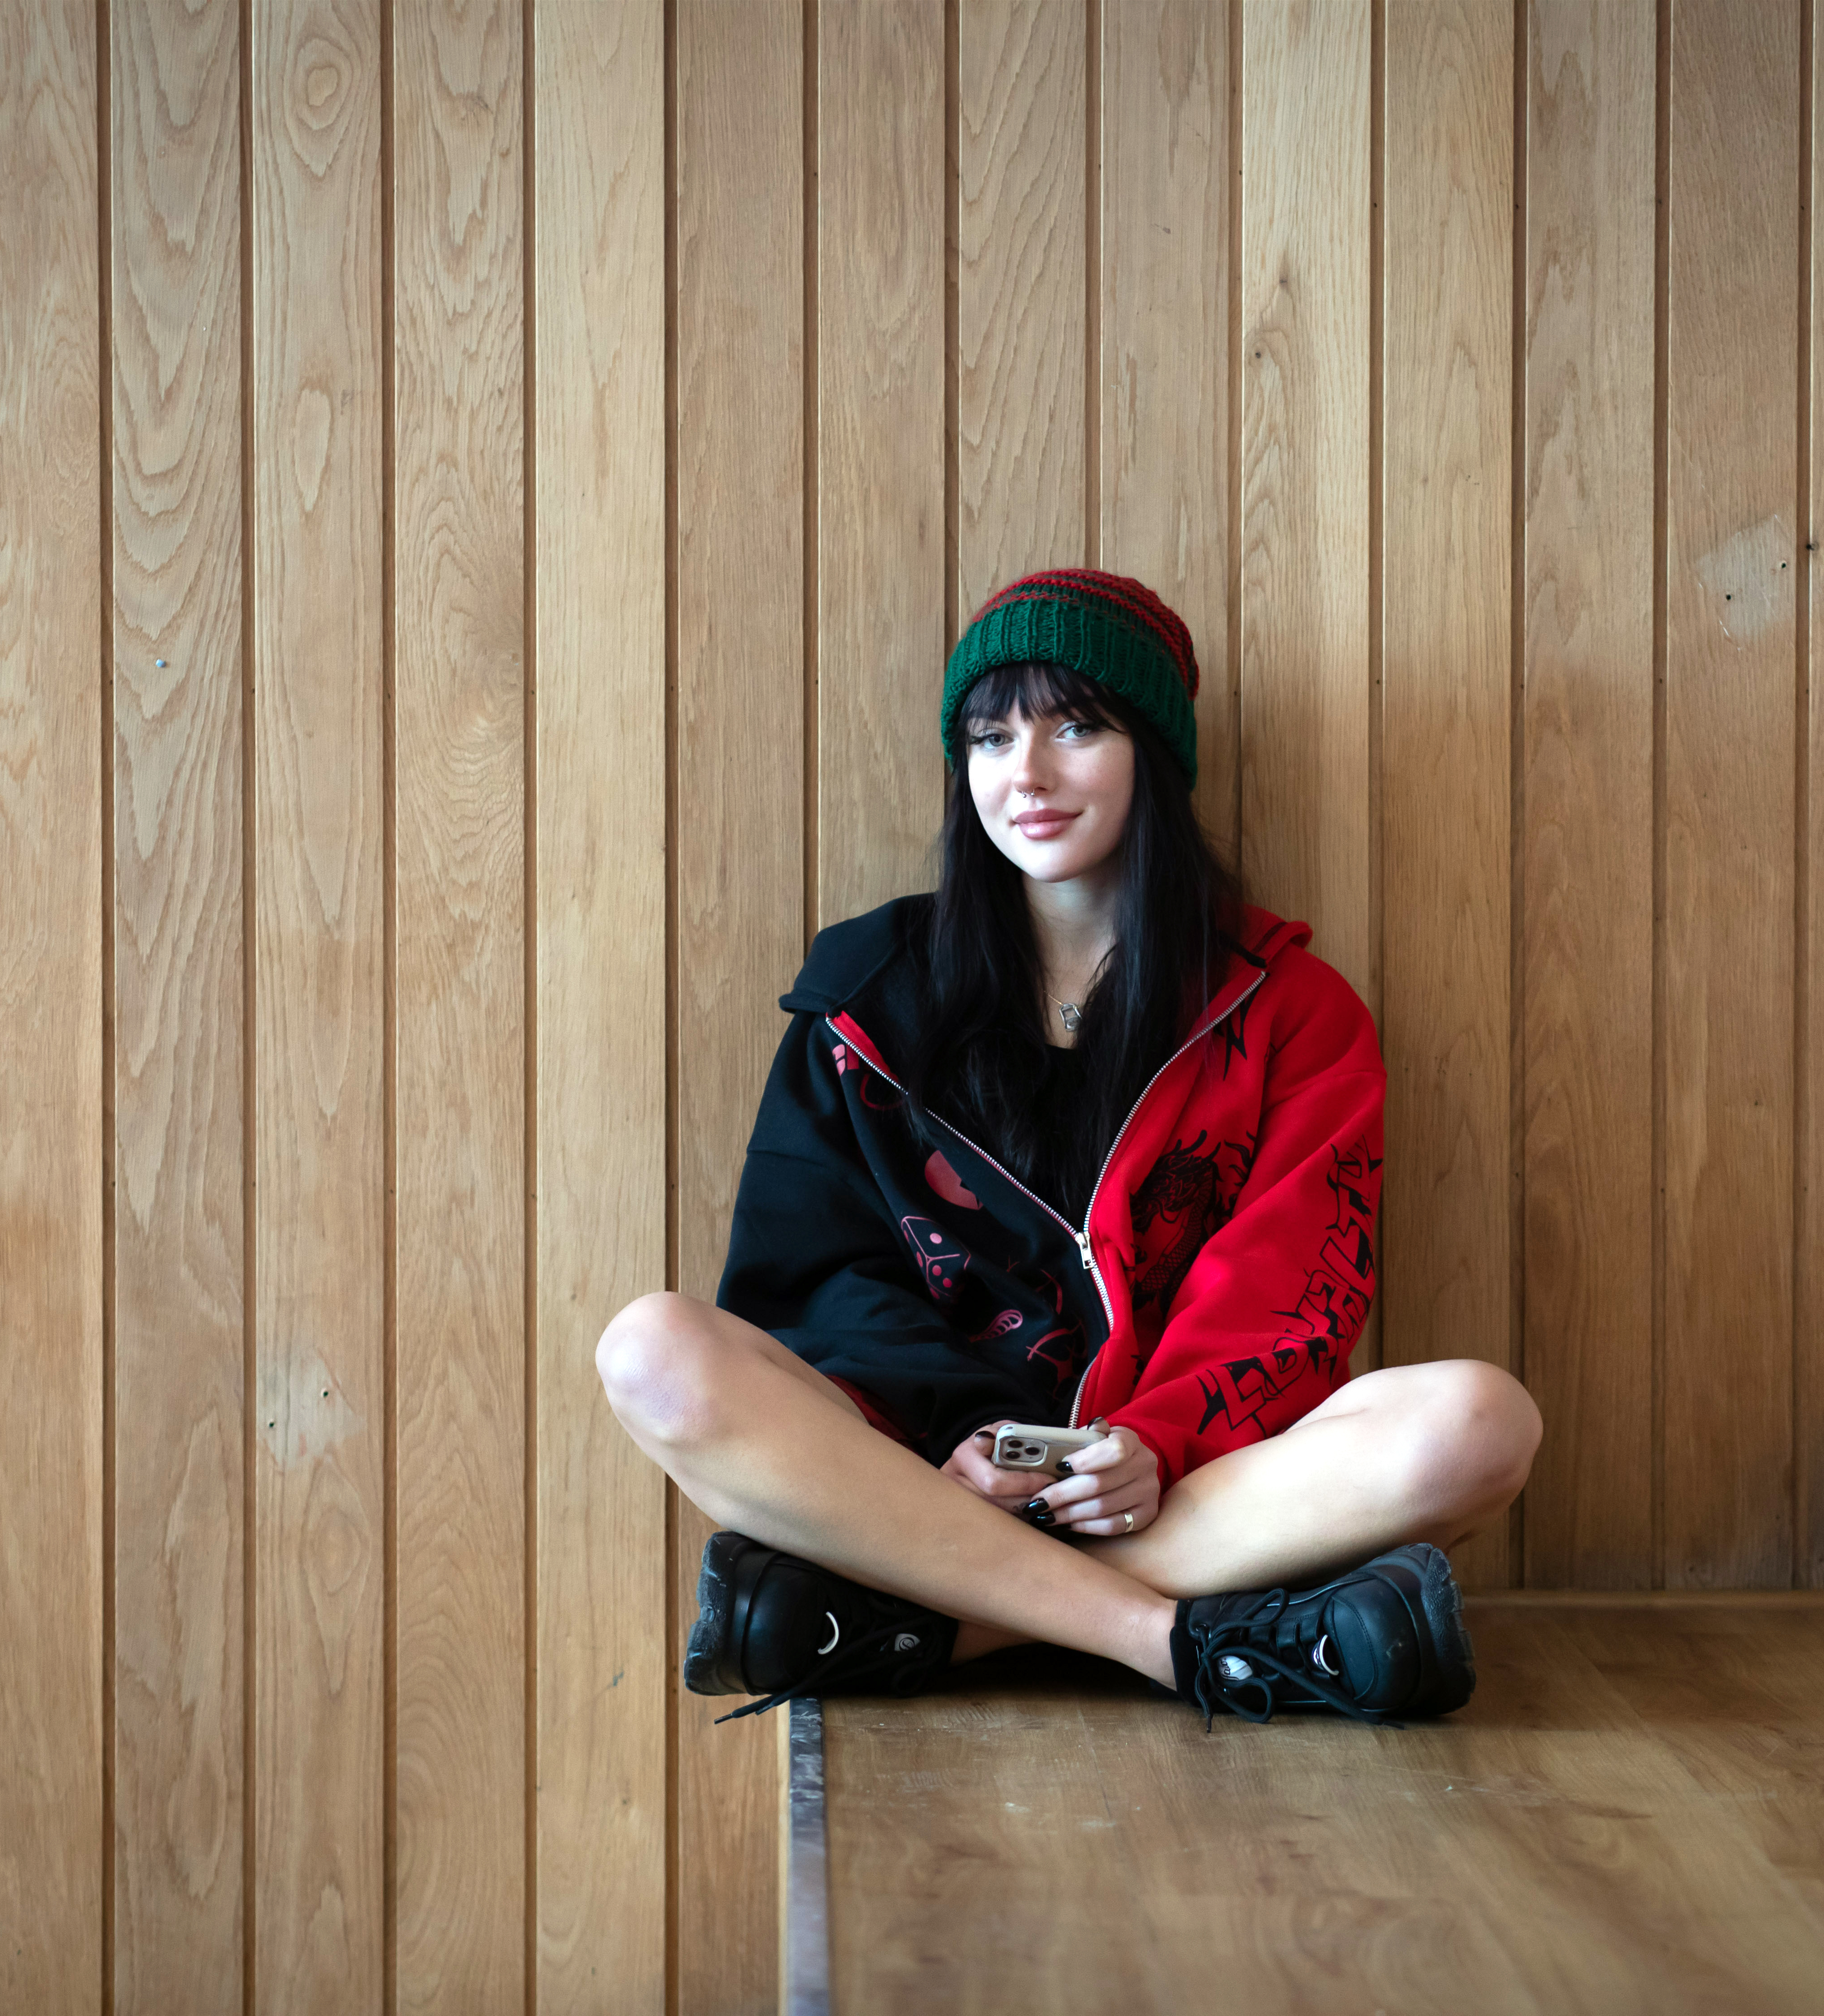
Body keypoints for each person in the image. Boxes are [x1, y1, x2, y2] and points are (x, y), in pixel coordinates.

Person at [595, 568, 1541, 1727]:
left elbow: (1293, 1288)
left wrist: (1152, 1440)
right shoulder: (865, 999)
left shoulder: (1290, 1008)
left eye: (1076, 726)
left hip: (1189, 1480)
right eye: (991, 738)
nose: (1026, 775)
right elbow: (814, 1280)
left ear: (1156, 752)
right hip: (928, 1474)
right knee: (651, 1349)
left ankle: (926, 1631)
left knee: (1481, 1422)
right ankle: (1175, 1641)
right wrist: (959, 1441)